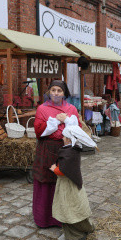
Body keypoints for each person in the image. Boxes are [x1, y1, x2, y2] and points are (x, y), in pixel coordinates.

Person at [33, 80, 81, 228]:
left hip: (66, 150)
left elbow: (77, 129)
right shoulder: (42, 108)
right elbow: (38, 130)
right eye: (53, 90)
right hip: (47, 148)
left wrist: (66, 120)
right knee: (46, 182)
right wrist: (53, 122)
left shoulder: (71, 108)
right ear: (49, 92)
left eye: (59, 91)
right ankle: (44, 218)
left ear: (64, 93)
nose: (56, 93)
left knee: (63, 182)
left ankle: (62, 218)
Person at [50, 125, 97, 240]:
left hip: (68, 186)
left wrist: (54, 169)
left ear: (69, 139)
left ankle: (73, 234)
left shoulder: (69, 152)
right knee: (76, 207)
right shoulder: (73, 149)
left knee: (68, 208)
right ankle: (85, 227)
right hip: (73, 185)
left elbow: (63, 171)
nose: (62, 138)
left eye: (64, 137)